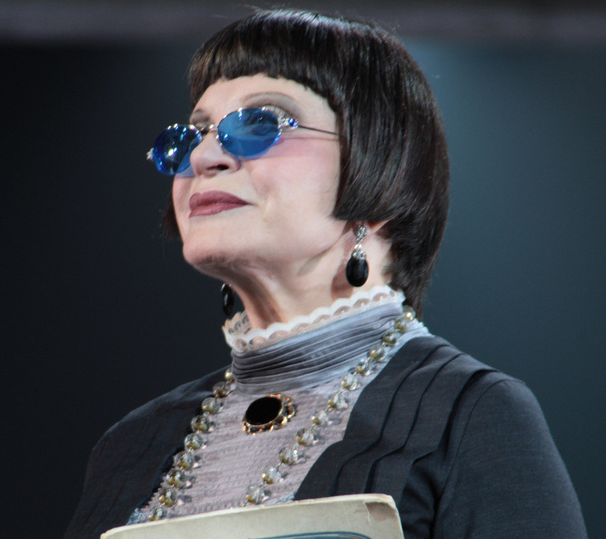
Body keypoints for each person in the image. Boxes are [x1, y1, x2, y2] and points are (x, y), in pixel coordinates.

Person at [65, 9, 586, 538]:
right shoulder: (131, 443)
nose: (204, 157)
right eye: (192, 135)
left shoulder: (470, 414)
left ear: (383, 169)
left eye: (260, 123)